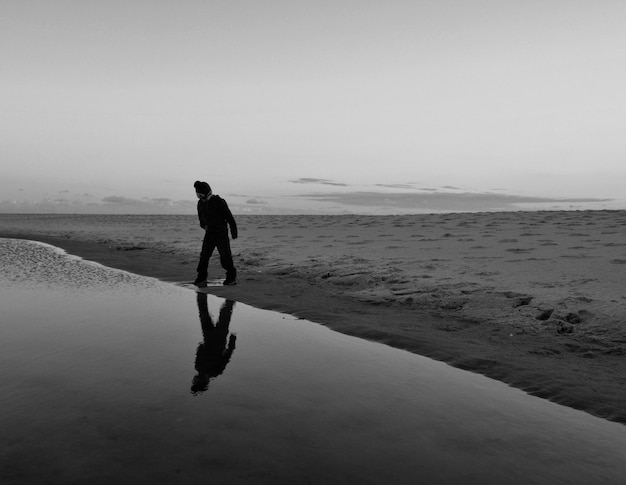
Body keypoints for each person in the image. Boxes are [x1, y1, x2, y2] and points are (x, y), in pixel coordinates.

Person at [193, 180, 238, 286]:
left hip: (221, 233)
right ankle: (201, 278)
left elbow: (230, 218)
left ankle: (231, 277)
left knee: (225, 257)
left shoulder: (219, 202)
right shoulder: (200, 204)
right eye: (199, 196)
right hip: (209, 233)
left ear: (209, 193)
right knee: (204, 256)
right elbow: (201, 220)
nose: (202, 199)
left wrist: (234, 232)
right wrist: (205, 226)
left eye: (203, 196)